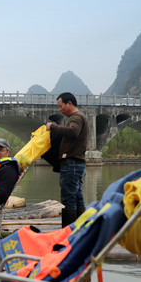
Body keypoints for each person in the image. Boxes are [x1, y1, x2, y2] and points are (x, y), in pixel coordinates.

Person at [46, 92, 88, 227]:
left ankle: (67, 232)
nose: (60, 109)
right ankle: (80, 229)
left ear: (69, 103)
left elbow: (72, 132)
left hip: (71, 164)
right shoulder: (79, 117)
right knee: (77, 197)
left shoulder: (76, 118)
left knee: (68, 198)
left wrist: (53, 127)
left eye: (61, 106)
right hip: (77, 164)